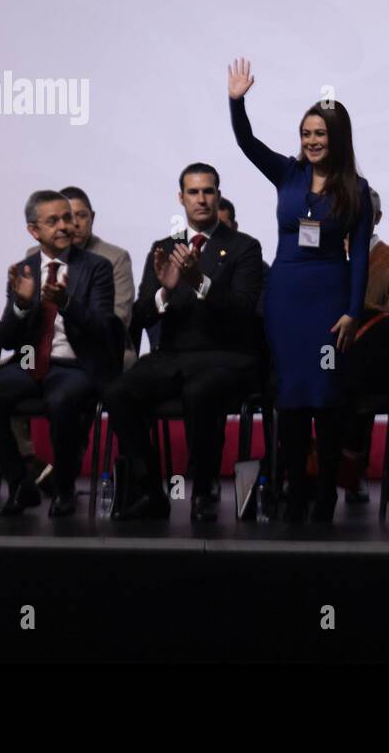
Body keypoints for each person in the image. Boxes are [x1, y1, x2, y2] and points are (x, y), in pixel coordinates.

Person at [228, 58, 372, 522]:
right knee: (289, 398)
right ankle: (292, 493)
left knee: (326, 398)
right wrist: (237, 101)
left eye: (320, 134)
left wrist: (353, 311)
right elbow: (247, 143)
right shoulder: (286, 174)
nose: (311, 141)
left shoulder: (357, 189)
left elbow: (361, 257)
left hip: (330, 299)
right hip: (285, 300)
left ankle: (326, 493)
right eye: (306, 133)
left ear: (337, 138)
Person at [106, 163, 266, 522]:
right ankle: (149, 489)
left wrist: (201, 282)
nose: (202, 199)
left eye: (208, 191)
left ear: (218, 195)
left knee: (200, 391)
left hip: (229, 355)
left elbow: (244, 312)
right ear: (181, 198)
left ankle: (205, 487)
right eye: (193, 192)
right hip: (175, 356)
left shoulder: (244, 248)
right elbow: (142, 315)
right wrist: (165, 289)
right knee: (118, 391)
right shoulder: (165, 248)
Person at [0, 191, 117, 517]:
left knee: (61, 401)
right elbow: (8, 339)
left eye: (69, 218)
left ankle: (64, 488)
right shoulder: (24, 270)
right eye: (54, 221)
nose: (65, 226)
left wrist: (67, 303)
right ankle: (21, 483)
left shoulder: (96, 268)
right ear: (34, 231)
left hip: (74, 364)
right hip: (28, 362)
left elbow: (104, 328)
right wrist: (22, 305)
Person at [11, 186, 138, 491]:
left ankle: (70, 464)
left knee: (72, 391)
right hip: (44, 348)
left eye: (79, 216)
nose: (73, 224)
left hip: (104, 348)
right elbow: (29, 320)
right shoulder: (33, 257)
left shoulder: (113, 258)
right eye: (66, 217)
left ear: (92, 218)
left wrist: (70, 304)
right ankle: (31, 463)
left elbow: (117, 320)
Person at [342, 186, 389, 505]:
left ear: (377, 218)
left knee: (351, 373)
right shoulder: (321, 257)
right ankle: (295, 467)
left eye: (361, 215)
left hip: (375, 355)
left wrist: (357, 307)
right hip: (328, 353)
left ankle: (348, 465)